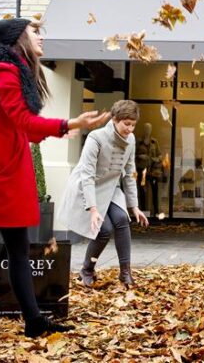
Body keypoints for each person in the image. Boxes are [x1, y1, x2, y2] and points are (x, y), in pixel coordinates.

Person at [0, 17, 109, 348]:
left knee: (19, 251)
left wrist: (64, 125)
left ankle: (34, 321)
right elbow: (23, 120)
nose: (41, 37)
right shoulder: (3, 72)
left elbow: (23, 128)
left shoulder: (15, 70)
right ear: (17, 39)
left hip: (4, 171)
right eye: (34, 32)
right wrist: (70, 122)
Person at [62, 100, 149, 288]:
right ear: (115, 119)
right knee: (104, 229)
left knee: (122, 220)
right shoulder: (96, 138)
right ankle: (87, 269)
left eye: (133, 125)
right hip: (88, 187)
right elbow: (87, 176)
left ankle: (125, 273)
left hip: (110, 188)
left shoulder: (131, 140)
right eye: (126, 124)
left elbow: (130, 173)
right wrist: (93, 209)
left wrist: (134, 206)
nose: (130, 129)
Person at [135, 122, 162, 217]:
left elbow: (160, 155)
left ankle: (156, 211)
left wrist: (156, 159)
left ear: (151, 130)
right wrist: (139, 156)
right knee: (142, 190)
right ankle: (142, 210)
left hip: (152, 170)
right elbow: (132, 155)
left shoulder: (154, 142)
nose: (147, 130)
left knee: (155, 190)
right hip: (142, 169)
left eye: (149, 129)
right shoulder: (139, 142)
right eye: (146, 128)